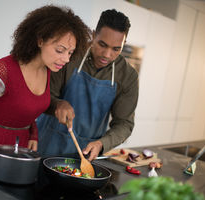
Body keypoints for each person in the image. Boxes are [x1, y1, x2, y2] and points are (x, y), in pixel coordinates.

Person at [0, 5, 91, 164]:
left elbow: (26, 108)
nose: (66, 59)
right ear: (40, 40)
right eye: (60, 50)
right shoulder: (4, 69)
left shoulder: (48, 70)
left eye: (70, 52)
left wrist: (32, 134)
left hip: (18, 151)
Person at [37, 9, 139, 161]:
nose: (107, 54)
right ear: (93, 35)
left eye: (116, 49)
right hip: (47, 145)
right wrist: (58, 104)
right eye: (102, 44)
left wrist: (102, 144)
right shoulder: (69, 54)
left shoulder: (127, 76)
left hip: (86, 155)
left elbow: (124, 123)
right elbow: (42, 96)